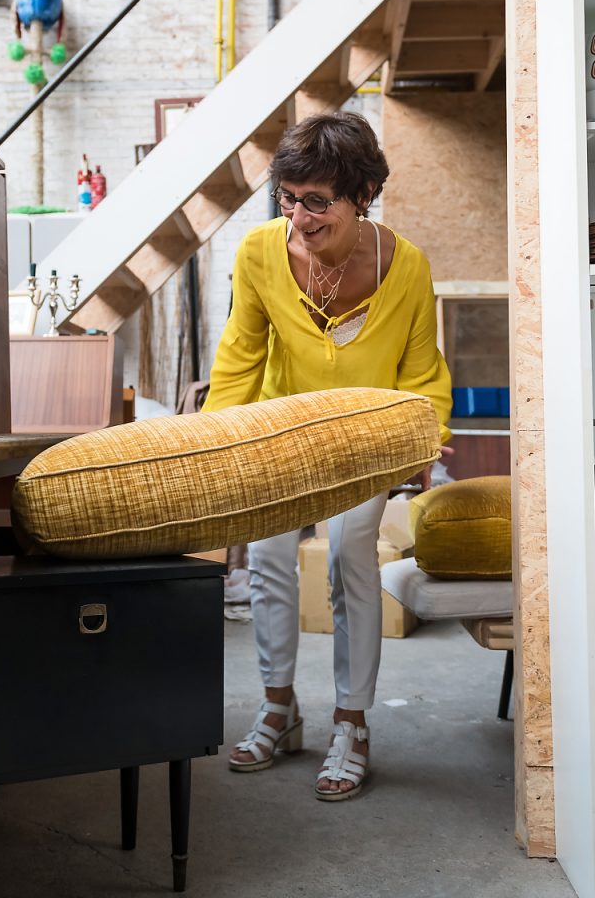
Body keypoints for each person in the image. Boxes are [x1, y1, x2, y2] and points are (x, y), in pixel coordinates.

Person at [203, 111, 452, 800]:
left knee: (349, 560)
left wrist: (422, 438)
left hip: (364, 439)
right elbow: (238, 361)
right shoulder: (258, 254)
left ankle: (352, 723)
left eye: (319, 202)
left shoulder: (406, 266)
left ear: (363, 193)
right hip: (283, 430)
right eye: (289, 198)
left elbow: (423, 370)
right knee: (271, 557)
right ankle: (279, 709)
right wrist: (218, 443)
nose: (301, 218)